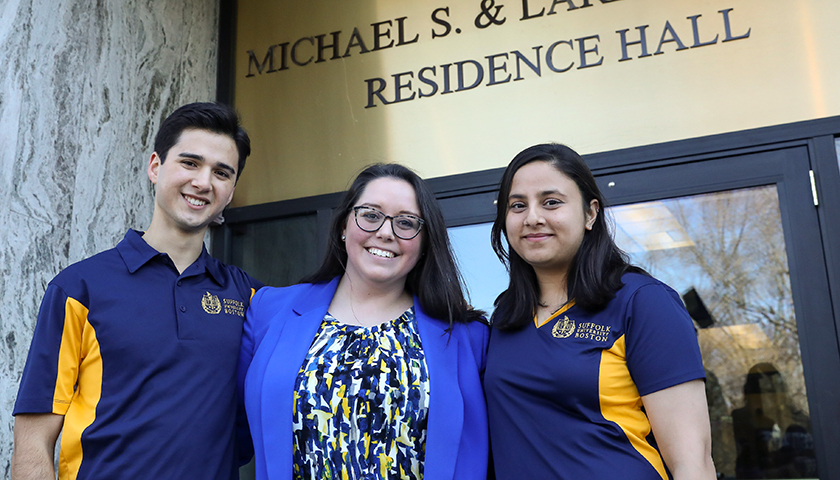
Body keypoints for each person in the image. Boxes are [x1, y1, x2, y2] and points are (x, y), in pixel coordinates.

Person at [11, 102, 263, 480]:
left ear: (230, 192)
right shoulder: (80, 288)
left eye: (222, 172)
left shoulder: (249, 297)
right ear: (155, 167)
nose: (203, 182)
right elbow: (33, 442)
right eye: (190, 163)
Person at [238, 164, 489, 480]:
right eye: (370, 215)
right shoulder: (268, 311)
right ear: (343, 225)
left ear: (425, 242)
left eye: (406, 222)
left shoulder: (468, 336)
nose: (386, 232)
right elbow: (226, 433)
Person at [483, 143, 716, 479]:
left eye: (551, 202)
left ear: (591, 213)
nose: (533, 217)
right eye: (518, 205)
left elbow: (692, 463)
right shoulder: (505, 319)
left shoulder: (643, 302)